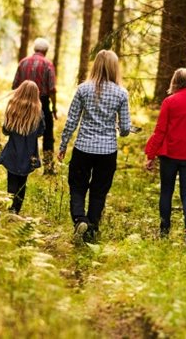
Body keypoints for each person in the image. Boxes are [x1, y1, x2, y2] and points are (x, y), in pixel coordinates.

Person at [57, 50, 132, 242]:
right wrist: (120, 130)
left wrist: (63, 145)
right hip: (107, 152)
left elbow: (72, 120)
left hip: (83, 148)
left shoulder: (83, 89)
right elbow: (124, 128)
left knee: (77, 186)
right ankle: (91, 229)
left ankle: (79, 219)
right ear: (115, 68)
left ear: (96, 65)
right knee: (99, 191)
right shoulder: (121, 93)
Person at [145, 69, 186, 245]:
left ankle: (164, 230)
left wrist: (150, 155)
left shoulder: (170, 101)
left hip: (170, 154)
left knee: (166, 191)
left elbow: (160, 130)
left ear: (174, 82)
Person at [0, 81, 46, 215]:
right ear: (36, 95)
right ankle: (16, 210)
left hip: (12, 152)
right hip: (29, 154)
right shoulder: (38, 113)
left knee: (11, 180)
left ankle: (10, 208)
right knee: (22, 183)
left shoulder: (13, 109)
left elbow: (6, 131)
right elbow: (41, 132)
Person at [13, 38, 58, 171]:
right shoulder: (48, 64)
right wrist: (54, 107)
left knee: (21, 131)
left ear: (34, 49)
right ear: (46, 50)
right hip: (41, 102)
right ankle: (49, 167)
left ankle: (19, 163)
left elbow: (14, 86)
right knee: (47, 133)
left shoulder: (23, 62)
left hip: (22, 101)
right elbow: (52, 89)